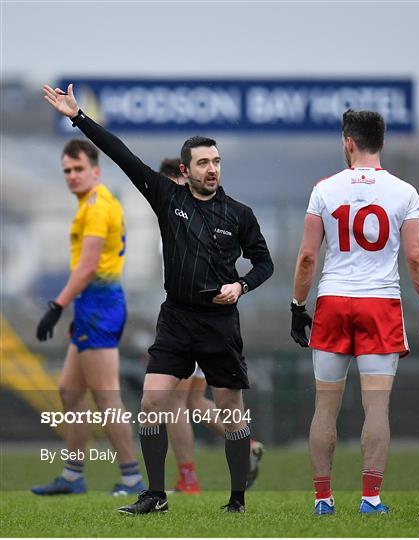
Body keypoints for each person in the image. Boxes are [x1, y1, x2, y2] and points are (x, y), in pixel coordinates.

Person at [43, 83, 274, 514]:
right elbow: (121, 154)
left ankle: (237, 500)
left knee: (230, 412)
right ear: (185, 171)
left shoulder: (240, 214)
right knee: (151, 401)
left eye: (216, 161)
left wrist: (241, 286)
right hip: (176, 319)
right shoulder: (168, 198)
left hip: (220, 323)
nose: (212, 169)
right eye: (203, 162)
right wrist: (78, 117)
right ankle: (155, 494)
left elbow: (265, 264)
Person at [290, 109, 419, 515]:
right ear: (382, 142)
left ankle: (324, 500)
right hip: (380, 305)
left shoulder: (324, 189)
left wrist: (296, 306)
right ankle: (370, 499)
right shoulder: (404, 192)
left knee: (325, 407)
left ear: (348, 142)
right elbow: (415, 258)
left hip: (334, 302)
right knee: (376, 406)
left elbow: (307, 257)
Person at [32, 139, 145, 496]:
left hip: (99, 306)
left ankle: (132, 479)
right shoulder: (94, 203)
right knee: (69, 390)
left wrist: (56, 306)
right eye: (67, 170)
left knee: (106, 396)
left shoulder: (97, 207)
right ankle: (72, 475)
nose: (72, 176)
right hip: (91, 306)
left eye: (78, 169)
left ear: (95, 170)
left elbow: (88, 267)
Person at [158, 158, 265, 495]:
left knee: (172, 402)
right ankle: (246, 444)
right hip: (211, 324)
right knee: (191, 402)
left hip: (194, 323)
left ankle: (187, 478)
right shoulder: (185, 217)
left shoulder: (192, 217)